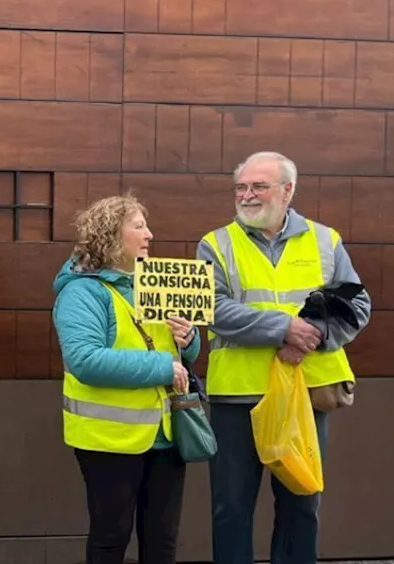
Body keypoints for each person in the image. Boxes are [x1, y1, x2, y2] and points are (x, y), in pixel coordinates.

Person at [198, 151, 370, 564]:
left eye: (259, 186)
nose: (248, 195)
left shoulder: (325, 240)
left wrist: (314, 336)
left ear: (288, 190)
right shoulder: (215, 243)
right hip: (238, 396)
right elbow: (213, 309)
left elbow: (357, 305)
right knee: (231, 509)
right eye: (241, 187)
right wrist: (283, 329)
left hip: (306, 396)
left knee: (302, 503)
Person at [52, 194, 201, 564]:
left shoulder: (152, 282)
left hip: (166, 434)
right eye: (138, 226)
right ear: (110, 235)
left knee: (162, 542)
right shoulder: (81, 290)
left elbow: (183, 356)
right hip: (109, 439)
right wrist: (164, 368)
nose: (149, 234)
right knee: (110, 539)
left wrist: (190, 338)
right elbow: (84, 360)